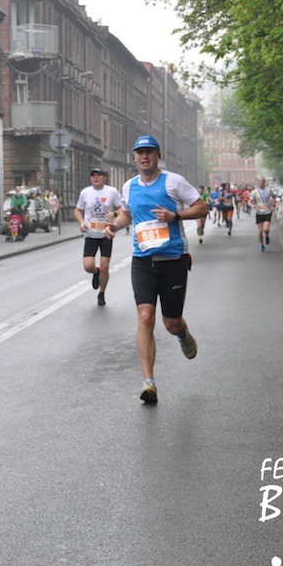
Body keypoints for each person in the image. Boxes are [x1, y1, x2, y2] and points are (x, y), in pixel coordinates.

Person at [106, 135, 207, 403]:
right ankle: (148, 381)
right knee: (145, 316)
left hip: (173, 260)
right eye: (140, 152)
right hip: (143, 261)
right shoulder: (129, 186)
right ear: (134, 157)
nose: (144, 157)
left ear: (158, 155)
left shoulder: (173, 182)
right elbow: (127, 213)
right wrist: (114, 225)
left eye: (149, 152)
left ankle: (183, 334)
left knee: (171, 322)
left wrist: (176, 216)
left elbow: (202, 207)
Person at [75, 167, 122, 306]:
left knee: (105, 265)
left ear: (104, 178)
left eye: (99, 175)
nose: (96, 178)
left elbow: (122, 209)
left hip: (106, 233)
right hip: (90, 234)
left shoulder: (112, 191)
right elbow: (78, 210)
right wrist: (82, 222)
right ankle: (96, 272)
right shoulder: (85, 192)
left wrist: (114, 213)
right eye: (93, 176)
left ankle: (102, 293)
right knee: (88, 266)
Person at [252, 177, 276, 251]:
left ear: (264, 182)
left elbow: (274, 197)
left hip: (267, 212)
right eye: (260, 181)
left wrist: (273, 205)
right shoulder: (255, 191)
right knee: (260, 231)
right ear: (258, 182)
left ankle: (267, 235)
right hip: (259, 213)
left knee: (266, 229)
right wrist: (252, 205)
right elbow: (250, 201)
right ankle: (262, 245)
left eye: (262, 181)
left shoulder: (268, 190)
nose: (261, 182)